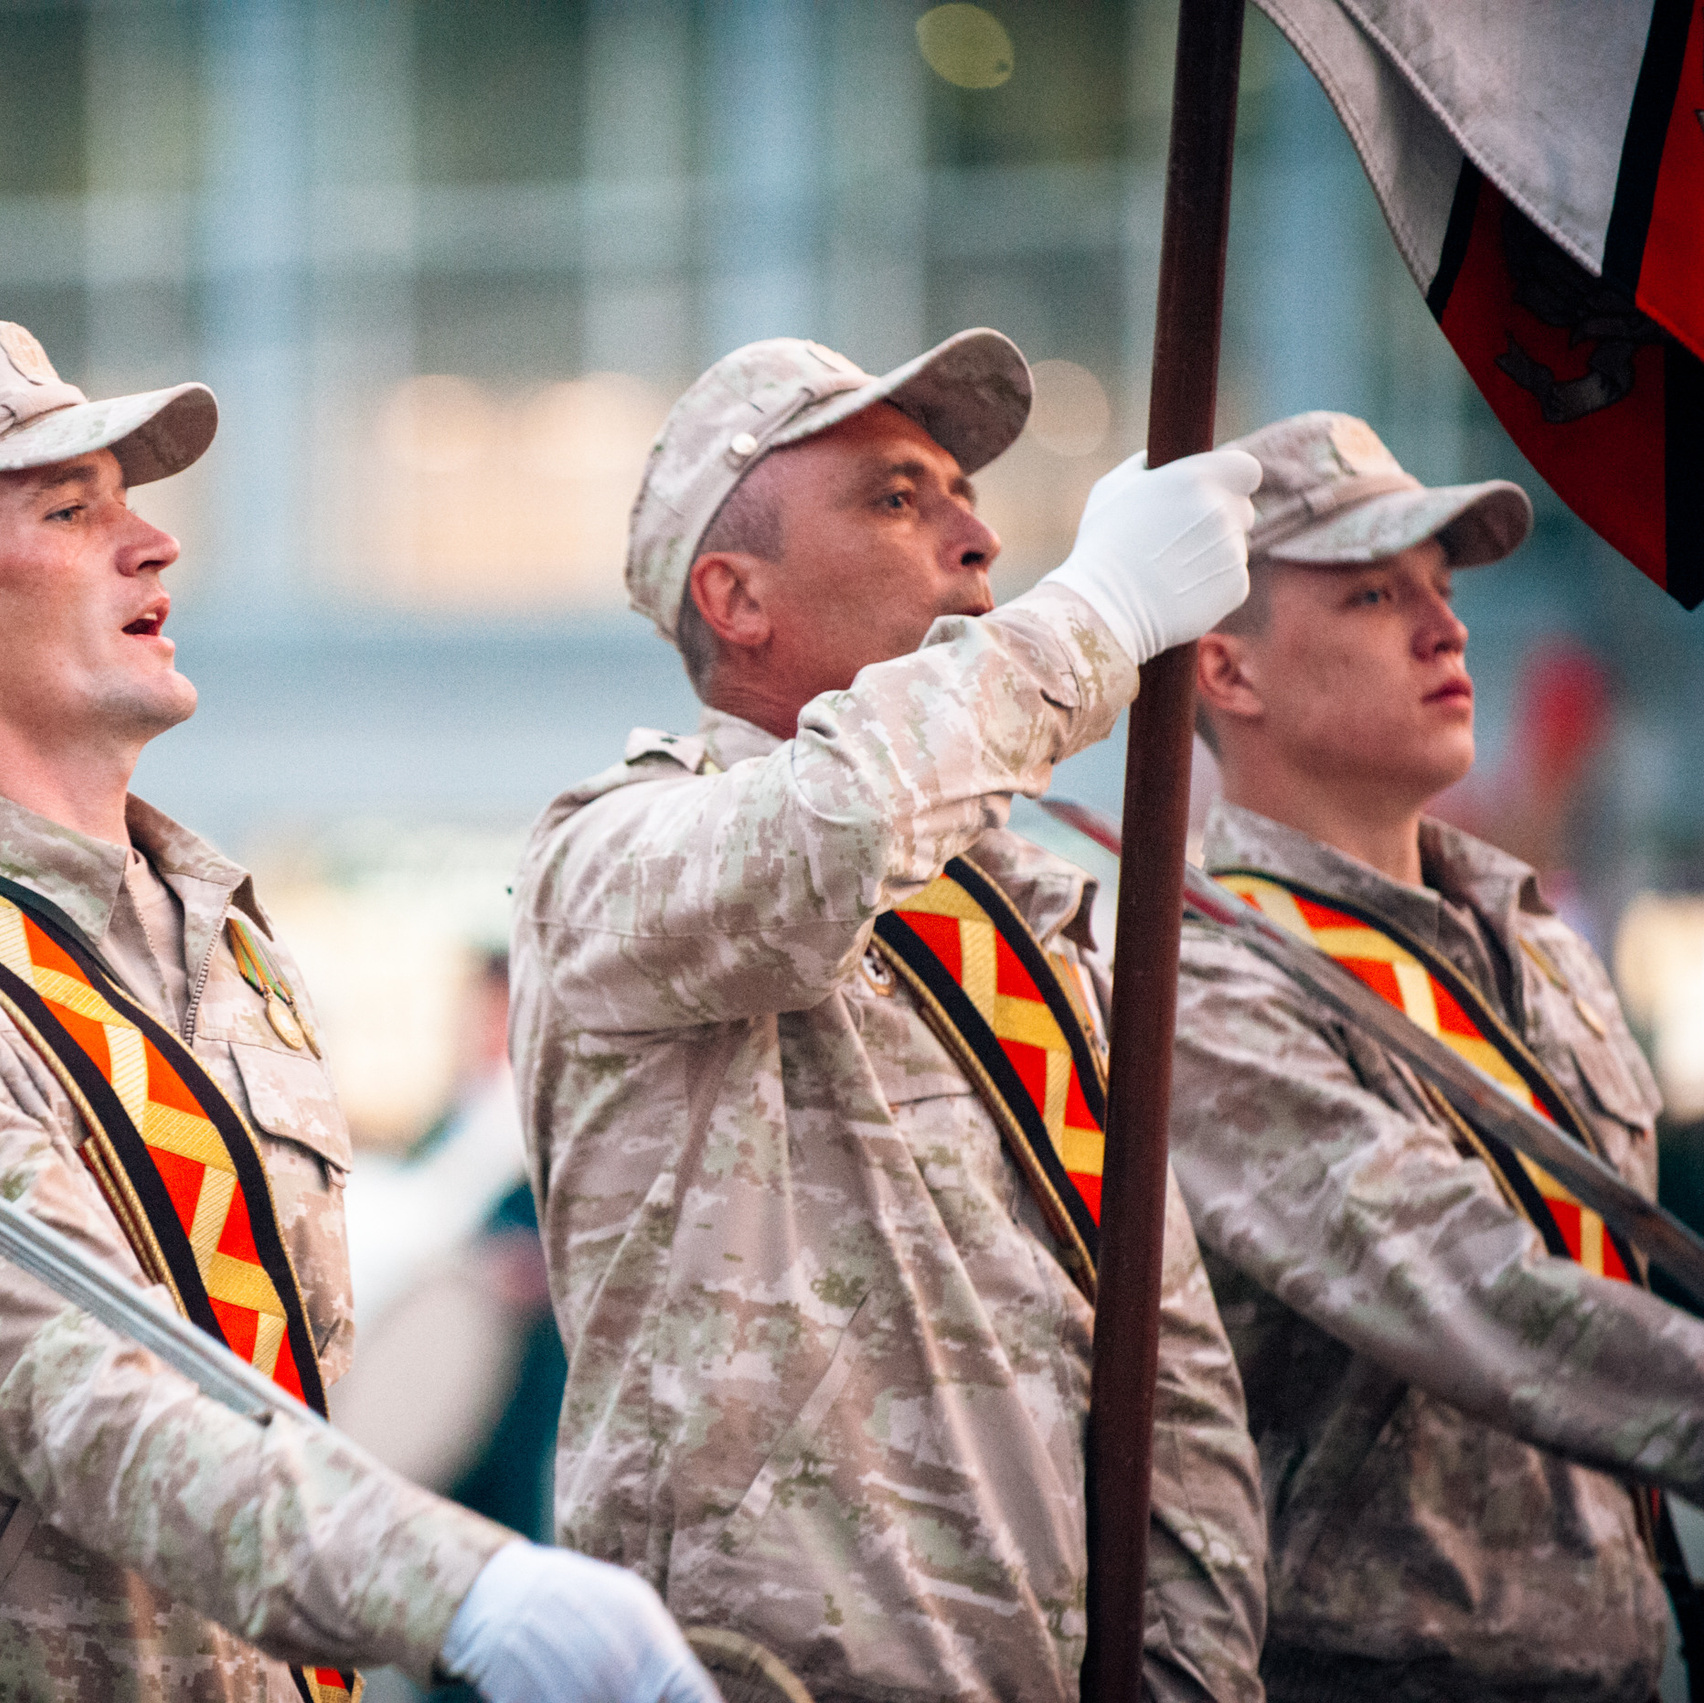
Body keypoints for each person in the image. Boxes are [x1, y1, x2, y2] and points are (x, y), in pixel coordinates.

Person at [0, 319, 713, 1703]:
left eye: (131, 503)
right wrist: (465, 1586)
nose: (154, 543)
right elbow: (74, 1387)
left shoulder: (226, 946)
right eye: (71, 510)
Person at [509, 332, 1271, 1702]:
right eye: (897, 496)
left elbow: (1174, 1383)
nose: (980, 539)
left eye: (963, 493)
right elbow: (831, 829)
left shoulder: (1028, 923)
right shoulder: (610, 858)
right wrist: (1093, 615)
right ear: (735, 596)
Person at [1173, 410, 1704, 1702]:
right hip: (1362, 1672)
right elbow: (1476, 1286)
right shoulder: (1196, 984)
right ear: (1225, 671)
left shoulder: (1533, 938)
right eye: (1370, 593)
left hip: (1621, 1652)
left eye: (1442, 588)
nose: (1445, 627)